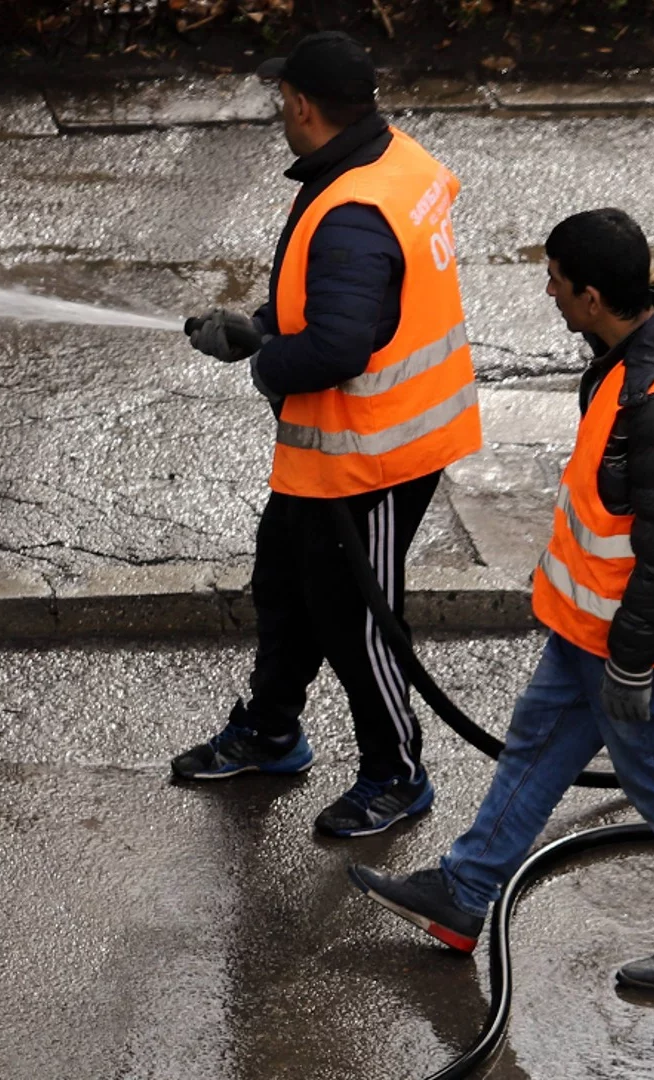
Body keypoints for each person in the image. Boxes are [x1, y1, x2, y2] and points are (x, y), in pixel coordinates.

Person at [347, 208, 654, 992]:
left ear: (594, 297)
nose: (547, 292)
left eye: (556, 282)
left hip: (631, 640)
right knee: (538, 742)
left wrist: (636, 667)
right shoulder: (627, 353)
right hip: (590, 623)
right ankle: (465, 892)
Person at [176, 31, 483, 838]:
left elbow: (343, 345)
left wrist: (267, 358)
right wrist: (261, 324)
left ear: (303, 105)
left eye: (282, 97)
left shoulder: (351, 209)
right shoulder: (386, 161)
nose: (280, 108)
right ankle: (272, 730)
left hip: (377, 456)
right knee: (285, 579)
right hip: (343, 449)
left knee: (356, 615)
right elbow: (348, 301)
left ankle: (397, 773)